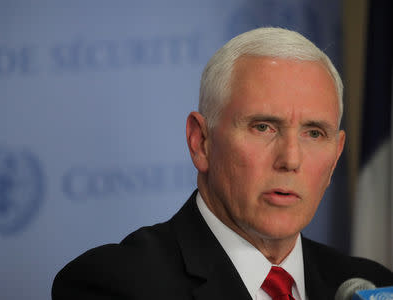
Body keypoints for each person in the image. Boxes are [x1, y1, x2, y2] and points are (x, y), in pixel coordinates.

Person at [52, 27, 393, 300]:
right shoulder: (115, 284)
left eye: (314, 133)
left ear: (335, 157)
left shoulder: (368, 286)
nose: (290, 159)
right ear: (200, 141)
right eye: (263, 127)